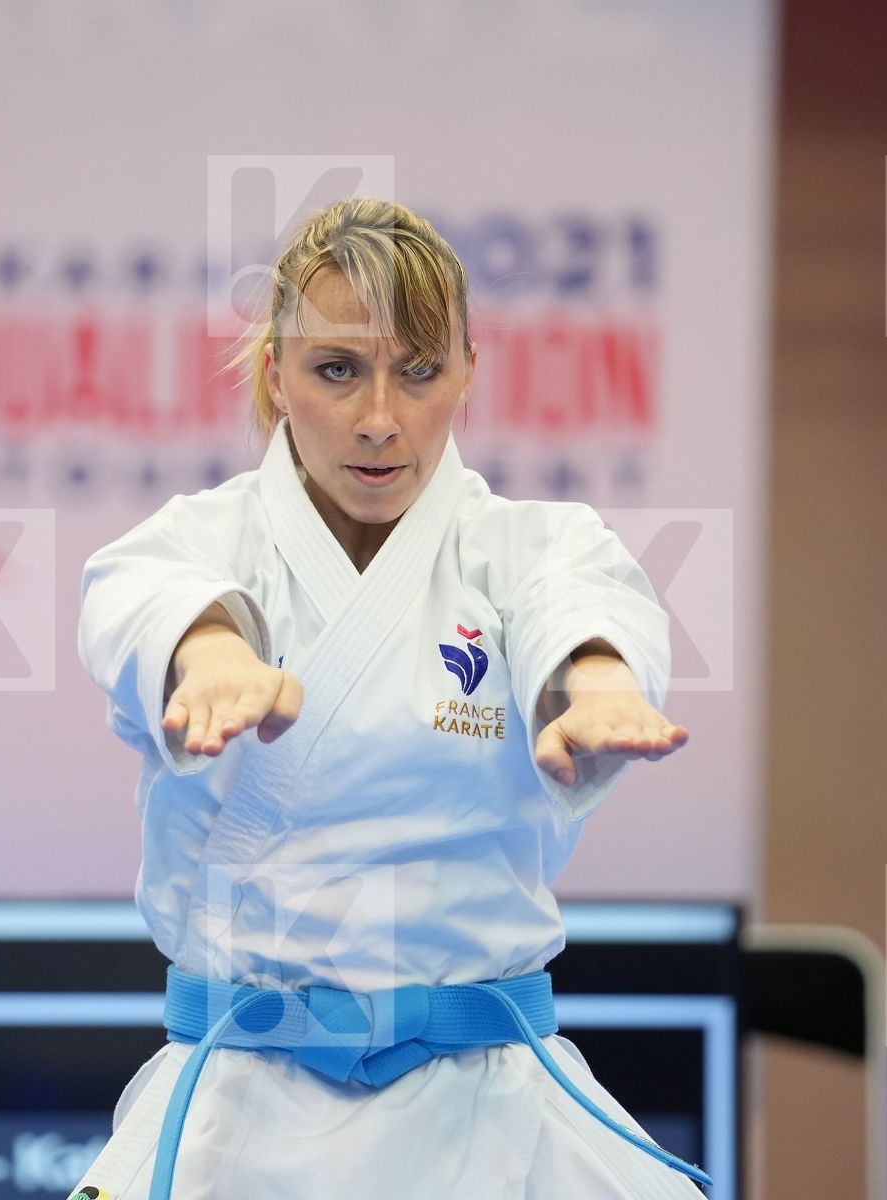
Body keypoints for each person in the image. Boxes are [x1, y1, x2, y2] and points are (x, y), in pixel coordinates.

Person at [73, 198, 705, 1199]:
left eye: (418, 370)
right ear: (277, 376)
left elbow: (576, 608)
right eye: (338, 370)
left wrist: (597, 685)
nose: (379, 417)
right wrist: (209, 652)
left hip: (491, 1100)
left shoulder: (529, 545)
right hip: (241, 1104)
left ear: (467, 373)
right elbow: (144, 602)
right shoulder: (193, 542)